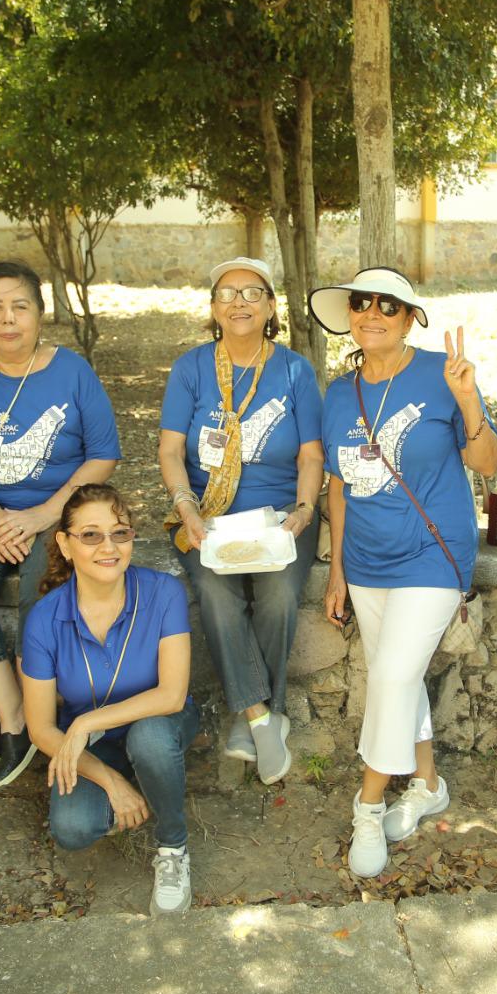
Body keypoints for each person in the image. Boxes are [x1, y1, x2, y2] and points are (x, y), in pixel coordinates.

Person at [314, 266, 497, 879]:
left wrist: (469, 398)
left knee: (392, 675)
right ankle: (427, 786)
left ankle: (367, 805)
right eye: (361, 303)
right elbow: (338, 488)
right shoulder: (339, 393)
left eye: (387, 306)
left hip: (433, 551)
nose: (371, 314)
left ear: (410, 317)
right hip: (367, 559)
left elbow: (488, 461)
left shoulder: (440, 376)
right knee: (402, 677)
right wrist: (338, 569)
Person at [0, 261, 121, 792]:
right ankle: (17, 716)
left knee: (46, 586)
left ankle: (37, 713)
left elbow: (103, 454)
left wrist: (45, 515)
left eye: (21, 306)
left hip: (61, 507)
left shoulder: (73, 372)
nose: (8, 318)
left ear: (40, 315)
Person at [158, 257, 324, 785]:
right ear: (213, 309)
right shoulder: (191, 368)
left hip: (280, 514)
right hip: (208, 513)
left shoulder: (295, 370)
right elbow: (169, 451)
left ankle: (248, 715)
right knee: (213, 587)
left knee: (277, 594)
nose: (239, 302)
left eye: (252, 293)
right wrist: (185, 505)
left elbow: (311, 456)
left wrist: (301, 513)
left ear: (271, 306)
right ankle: (262, 717)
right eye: (227, 293)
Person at [19, 484, 199, 916]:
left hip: (160, 722)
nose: (109, 547)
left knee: (151, 739)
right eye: (91, 535)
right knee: (73, 829)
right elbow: (42, 727)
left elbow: (172, 696)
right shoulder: (45, 618)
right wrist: (110, 781)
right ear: (64, 544)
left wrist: (82, 723)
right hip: (96, 747)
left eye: (120, 533)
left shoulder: (163, 592)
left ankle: (173, 847)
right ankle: (138, 782)